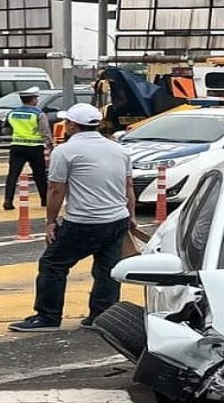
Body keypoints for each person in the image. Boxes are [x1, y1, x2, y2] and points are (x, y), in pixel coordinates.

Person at [8, 103, 134, 332]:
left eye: (67, 122)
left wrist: (50, 222)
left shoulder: (65, 151)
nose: (65, 125)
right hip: (117, 219)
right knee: (107, 268)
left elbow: (56, 189)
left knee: (53, 264)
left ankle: (48, 316)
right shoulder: (119, 150)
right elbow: (128, 188)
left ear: (73, 126)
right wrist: (131, 218)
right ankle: (102, 315)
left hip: (85, 221)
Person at [3, 86, 52, 210]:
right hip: (34, 148)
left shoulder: (12, 113)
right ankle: (44, 200)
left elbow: (6, 130)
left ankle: (8, 201)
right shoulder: (38, 114)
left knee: (13, 175)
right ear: (33, 99)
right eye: (36, 98)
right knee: (40, 175)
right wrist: (50, 145)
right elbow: (45, 132)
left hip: (16, 147)